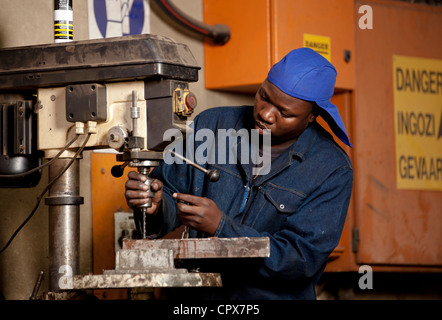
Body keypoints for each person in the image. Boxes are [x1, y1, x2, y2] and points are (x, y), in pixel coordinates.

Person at [125, 47, 353, 300]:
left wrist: (222, 228)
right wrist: (156, 205)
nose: (265, 114)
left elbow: (299, 260)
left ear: (312, 116)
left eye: (284, 113)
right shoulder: (212, 125)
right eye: (264, 97)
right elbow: (168, 190)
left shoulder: (330, 169)